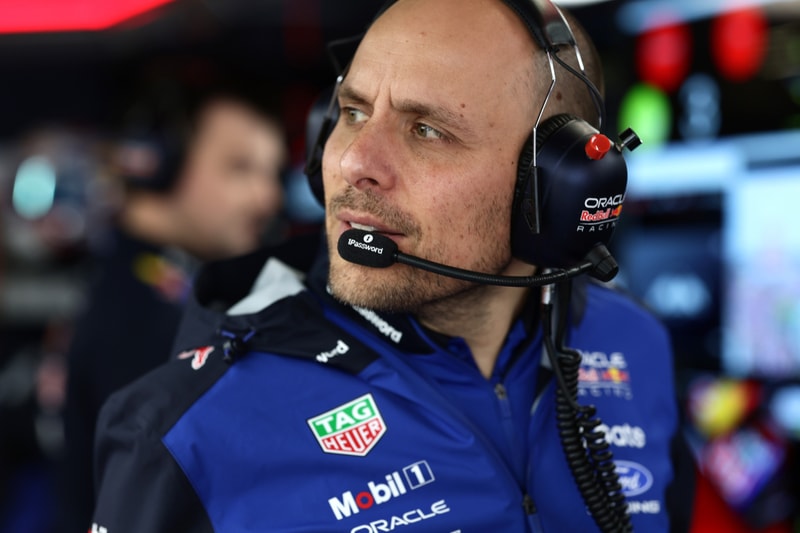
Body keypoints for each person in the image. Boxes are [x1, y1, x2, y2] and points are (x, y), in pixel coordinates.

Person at [92, 0, 692, 531]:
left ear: (558, 188)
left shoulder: (635, 343)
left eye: (426, 130)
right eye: (353, 113)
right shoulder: (187, 428)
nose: (354, 163)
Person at [60, 86, 286, 532]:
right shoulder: (142, 316)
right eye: (240, 168)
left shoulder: (153, 285)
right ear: (157, 165)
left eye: (272, 173)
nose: (268, 197)